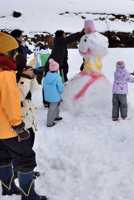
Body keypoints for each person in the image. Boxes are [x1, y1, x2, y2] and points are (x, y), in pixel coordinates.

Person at [0, 32, 47, 199]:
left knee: (3, 157)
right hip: (8, 128)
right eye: (14, 51)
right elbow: (11, 104)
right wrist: (19, 126)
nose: (16, 54)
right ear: (6, 52)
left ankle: (8, 189)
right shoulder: (4, 74)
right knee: (26, 158)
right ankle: (29, 196)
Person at [43, 28, 90, 107]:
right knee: (49, 83)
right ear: (61, 36)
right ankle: (46, 101)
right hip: (51, 65)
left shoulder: (60, 41)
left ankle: (52, 99)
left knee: (56, 81)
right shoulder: (60, 41)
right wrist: (82, 34)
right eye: (64, 34)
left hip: (56, 64)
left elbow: (69, 37)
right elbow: (70, 39)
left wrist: (80, 32)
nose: (65, 36)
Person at [14, 54, 40, 179]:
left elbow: (33, 89)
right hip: (21, 121)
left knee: (29, 148)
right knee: (21, 152)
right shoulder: (13, 79)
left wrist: (32, 78)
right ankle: (19, 172)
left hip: (29, 121)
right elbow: (18, 97)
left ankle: (27, 171)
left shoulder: (22, 78)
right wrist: (24, 77)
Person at [43, 59, 65, 127]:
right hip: (55, 95)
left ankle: (56, 116)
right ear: (57, 69)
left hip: (48, 95)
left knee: (57, 106)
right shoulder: (58, 77)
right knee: (52, 108)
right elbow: (60, 87)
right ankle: (49, 123)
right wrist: (62, 91)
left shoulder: (46, 76)